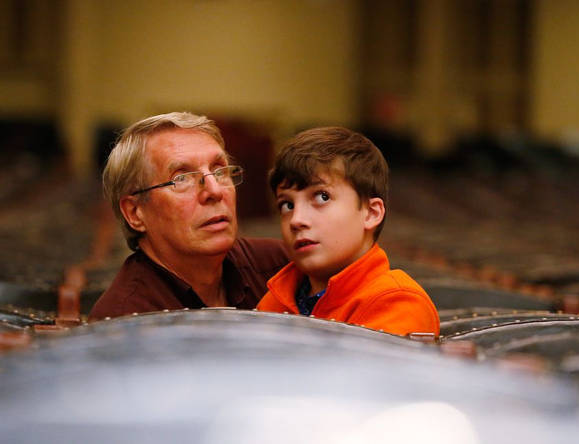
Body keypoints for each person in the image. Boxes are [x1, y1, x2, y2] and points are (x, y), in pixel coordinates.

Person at [88, 112, 289, 321]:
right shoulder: (125, 320)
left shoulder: (280, 266)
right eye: (181, 178)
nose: (215, 191)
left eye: (219, 171)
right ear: (135, 213)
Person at [257, 127, 439, 336]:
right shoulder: (274, 301)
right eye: (287, 205)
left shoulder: (397, 302)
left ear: (371, 213)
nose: (296, 220)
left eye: (321, 197)